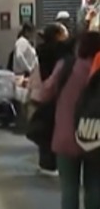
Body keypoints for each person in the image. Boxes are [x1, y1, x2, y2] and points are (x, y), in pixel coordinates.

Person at [36, 31, 100, 209]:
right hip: (95, 136)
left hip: (66, 135)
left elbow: (45, 93)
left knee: (70, 186)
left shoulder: (67, 66)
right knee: (94, 185)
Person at [29, 23, 71, 175]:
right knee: (52, 130)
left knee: (46, 130)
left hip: (44, 96)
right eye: (65, 32)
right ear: (58, 35)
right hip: (55, 96)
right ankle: (50, 164)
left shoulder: (41, 52)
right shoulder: (61, 53)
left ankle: (45, 163)